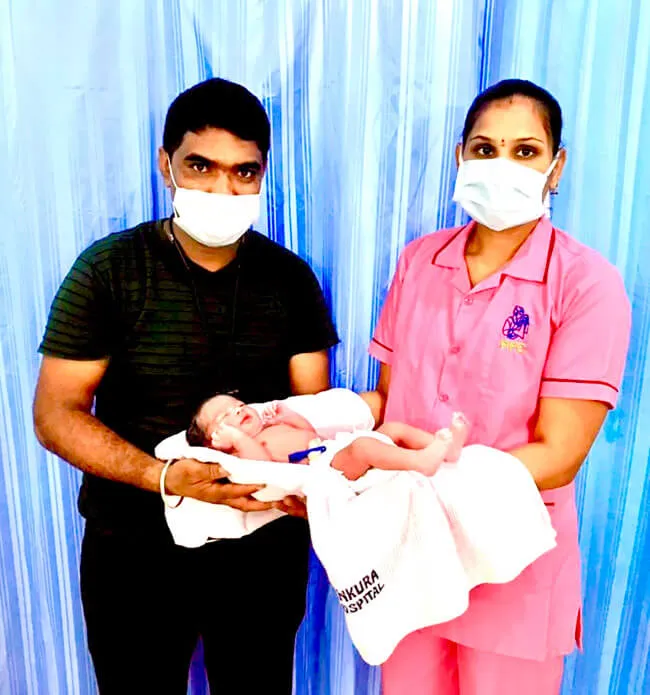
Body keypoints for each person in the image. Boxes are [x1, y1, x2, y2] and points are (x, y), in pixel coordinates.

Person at [32, 78, 339, 695]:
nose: (223, 191)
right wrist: (163, 476)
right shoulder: (109, 270)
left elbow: (314, 415)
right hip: (133, 550)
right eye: (201, 167)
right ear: (165, 164)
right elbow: (56, 414)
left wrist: (315, 483)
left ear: (264, 174)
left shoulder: (290, 279)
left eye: (244, 173)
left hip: (261, 550)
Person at [363, 79, 632, 695]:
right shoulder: (419, 261)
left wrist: (429, 477)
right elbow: (390, 401)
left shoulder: (586, 284)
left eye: (525, 151)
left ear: (556, 168)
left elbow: (560, 454)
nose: (501, 165)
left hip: (512, 559)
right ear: (460, 157)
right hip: (411, 553)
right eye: (485, 149)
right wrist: (319, 425)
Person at [184, 392, 469, 477]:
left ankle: (448, 449)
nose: (237, 411)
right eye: (225, 417)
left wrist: (289, 416)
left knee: (393, 428)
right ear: (216, 442)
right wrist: (238, 439)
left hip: (331, 450)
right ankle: (420, 462)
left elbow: (308, 433)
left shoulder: (271, 429)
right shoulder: (245, 451)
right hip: (328, 470)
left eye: (239, 405)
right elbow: (263, 469)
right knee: (364, 447)